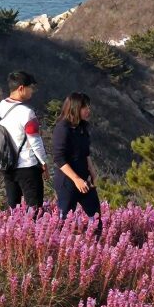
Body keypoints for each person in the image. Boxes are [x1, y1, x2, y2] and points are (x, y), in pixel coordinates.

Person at [0, 71, 49, 210]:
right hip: (27, 166)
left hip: (6, 165)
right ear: (21, 88)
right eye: (31, 88)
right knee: (34, 209)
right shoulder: (27, 113)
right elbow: (35, 140)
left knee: (14, 208)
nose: (32, 91)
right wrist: (43, 162)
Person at [51, 92, 102, 232]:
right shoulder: (62, 128)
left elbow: (86, 153)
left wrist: (92, 171)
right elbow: (59, 158)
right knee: (65, 221)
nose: (88, 110)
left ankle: (95, 242)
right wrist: (76, 179)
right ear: (75, 108)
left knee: (96, 218)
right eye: (85, 107)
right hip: (67, 182)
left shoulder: (82, 127)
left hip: (85, 179)